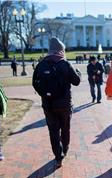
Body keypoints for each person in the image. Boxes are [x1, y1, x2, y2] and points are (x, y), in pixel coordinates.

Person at [32, 37, 81, 168]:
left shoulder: (41, 64)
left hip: (48, 104)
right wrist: (78, 73)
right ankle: (64, 148)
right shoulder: (64, 64)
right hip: (64, 103)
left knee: (53, 131)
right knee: (65, 128)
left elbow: (34, 83)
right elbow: (76, 81)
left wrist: (44, 94)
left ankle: (58, 157)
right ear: (61, 50)